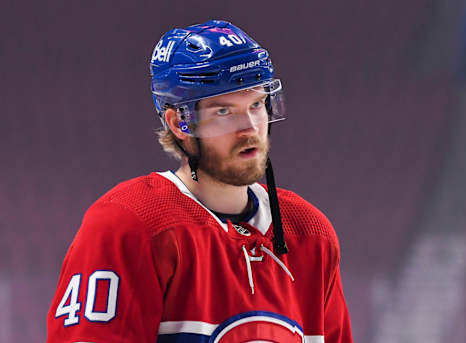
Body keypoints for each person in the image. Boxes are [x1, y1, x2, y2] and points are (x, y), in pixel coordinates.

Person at [46, 20, 353, 343]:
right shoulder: (129, 224)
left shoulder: (310, 234)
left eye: (256, 105)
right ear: (180, 122)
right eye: (224, 111)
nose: (249, 127)